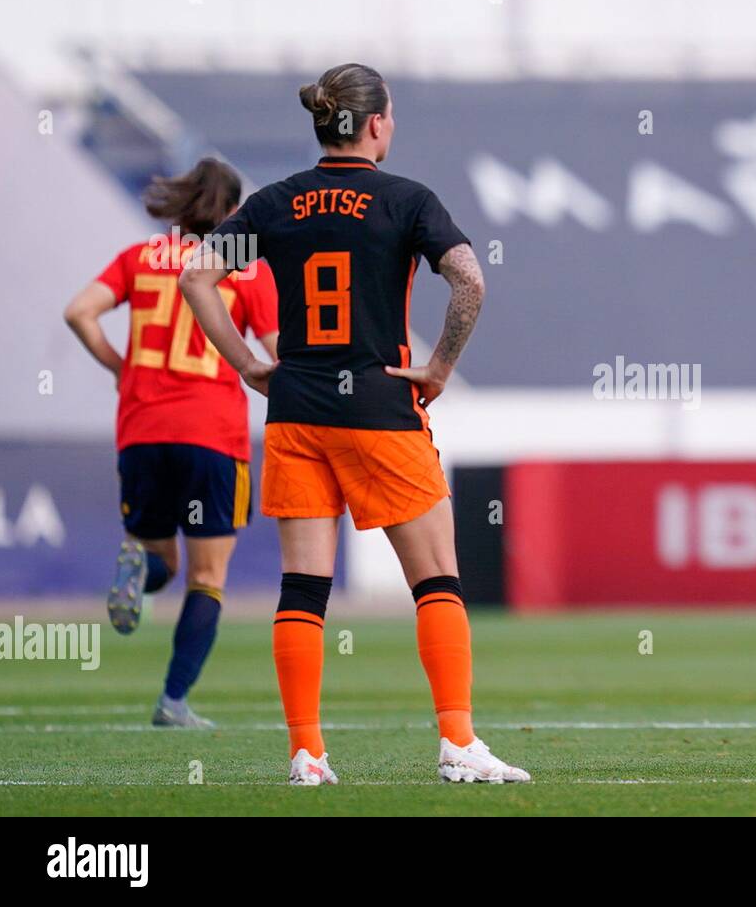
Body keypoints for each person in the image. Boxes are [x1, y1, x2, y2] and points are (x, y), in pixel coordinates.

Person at [179, 62, 529, 785]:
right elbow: (470, 278)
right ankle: (458, 744)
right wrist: (437, 368)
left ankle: (307, 755)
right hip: (379, 410)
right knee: (436, 579)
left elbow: (196, 278)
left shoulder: (276, 203)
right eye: (390, 115)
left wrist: (248, 363)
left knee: (303, 585)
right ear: (375, 124)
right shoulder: (405, 201)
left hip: (297, 412)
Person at [64, 158, 279, 727]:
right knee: (207, 577)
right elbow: (278, 352)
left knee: (159, 556)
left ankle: (138, 567)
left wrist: (119, 367)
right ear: (233, 211)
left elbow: (79, 312)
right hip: (212, 434)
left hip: (141, 431)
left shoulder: (140, 258)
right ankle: (173, 700)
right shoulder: (243, 267)